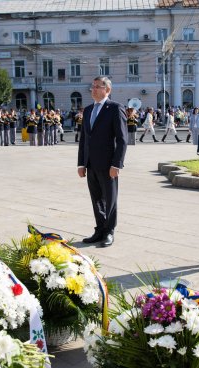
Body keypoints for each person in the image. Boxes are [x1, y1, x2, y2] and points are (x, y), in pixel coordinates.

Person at [77, 76, 128, 247]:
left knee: (110, 199)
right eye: (92, 86)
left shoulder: (115, 108)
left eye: (98, 87)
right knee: (96, 198)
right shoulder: (89, 110)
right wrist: (81, 163)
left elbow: (122, 139)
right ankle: (99, 229)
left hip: (108, 164)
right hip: (91, 163)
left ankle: (109, 231)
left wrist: (116, 164)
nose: (93, 89)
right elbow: (84, 138)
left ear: (107, 90)